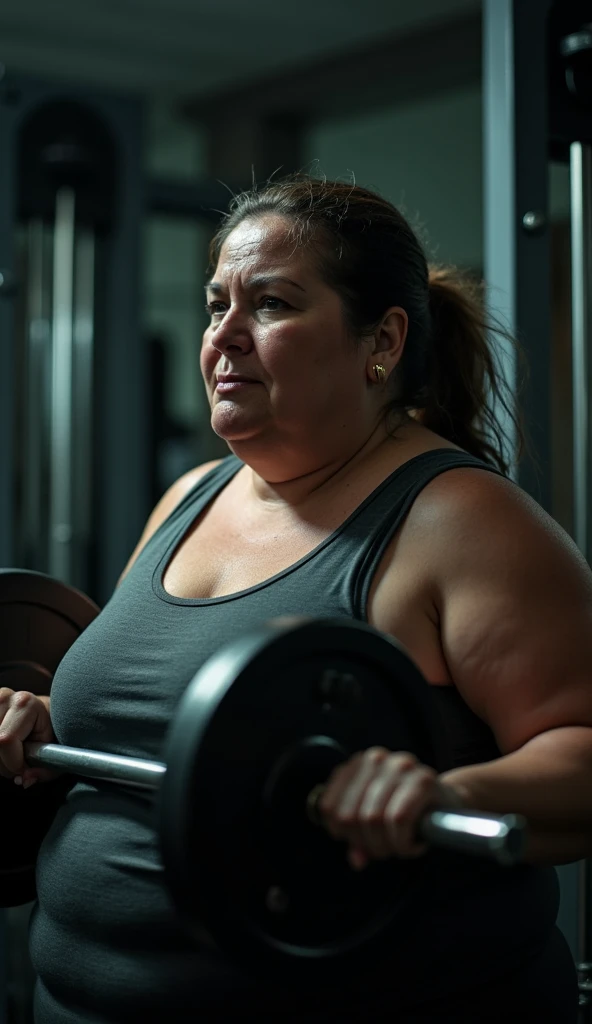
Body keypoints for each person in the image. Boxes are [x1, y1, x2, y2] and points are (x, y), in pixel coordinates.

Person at [0, 174, 590, 1023]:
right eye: (214, 307)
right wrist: (43, 721)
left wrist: (442, 796)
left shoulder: (461, 521)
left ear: (380, 341)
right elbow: (150, 715)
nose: (224, 336)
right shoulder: (192, 495)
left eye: (270, 305)